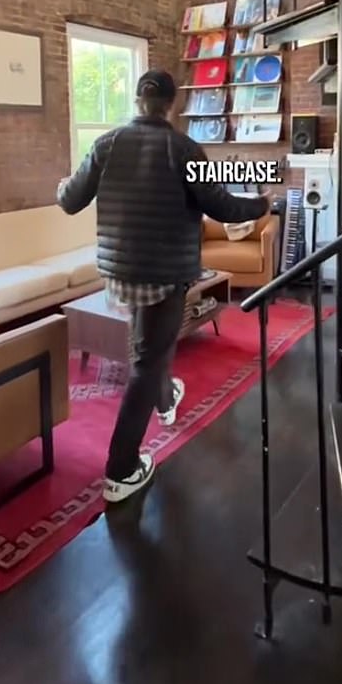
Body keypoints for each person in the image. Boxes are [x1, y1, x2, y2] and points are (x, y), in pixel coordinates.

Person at [57, 69, 270, 503]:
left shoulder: (106, 144)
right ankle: (121, 470)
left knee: (147, 347)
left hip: (120, 270)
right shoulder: (184, 148)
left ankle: (165, 395)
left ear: (137, 101)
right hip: (165, 272)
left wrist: (62, 184)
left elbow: (70, 200)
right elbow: (221, 206)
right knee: (148, 362)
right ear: (172, 105)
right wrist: (264, 202)